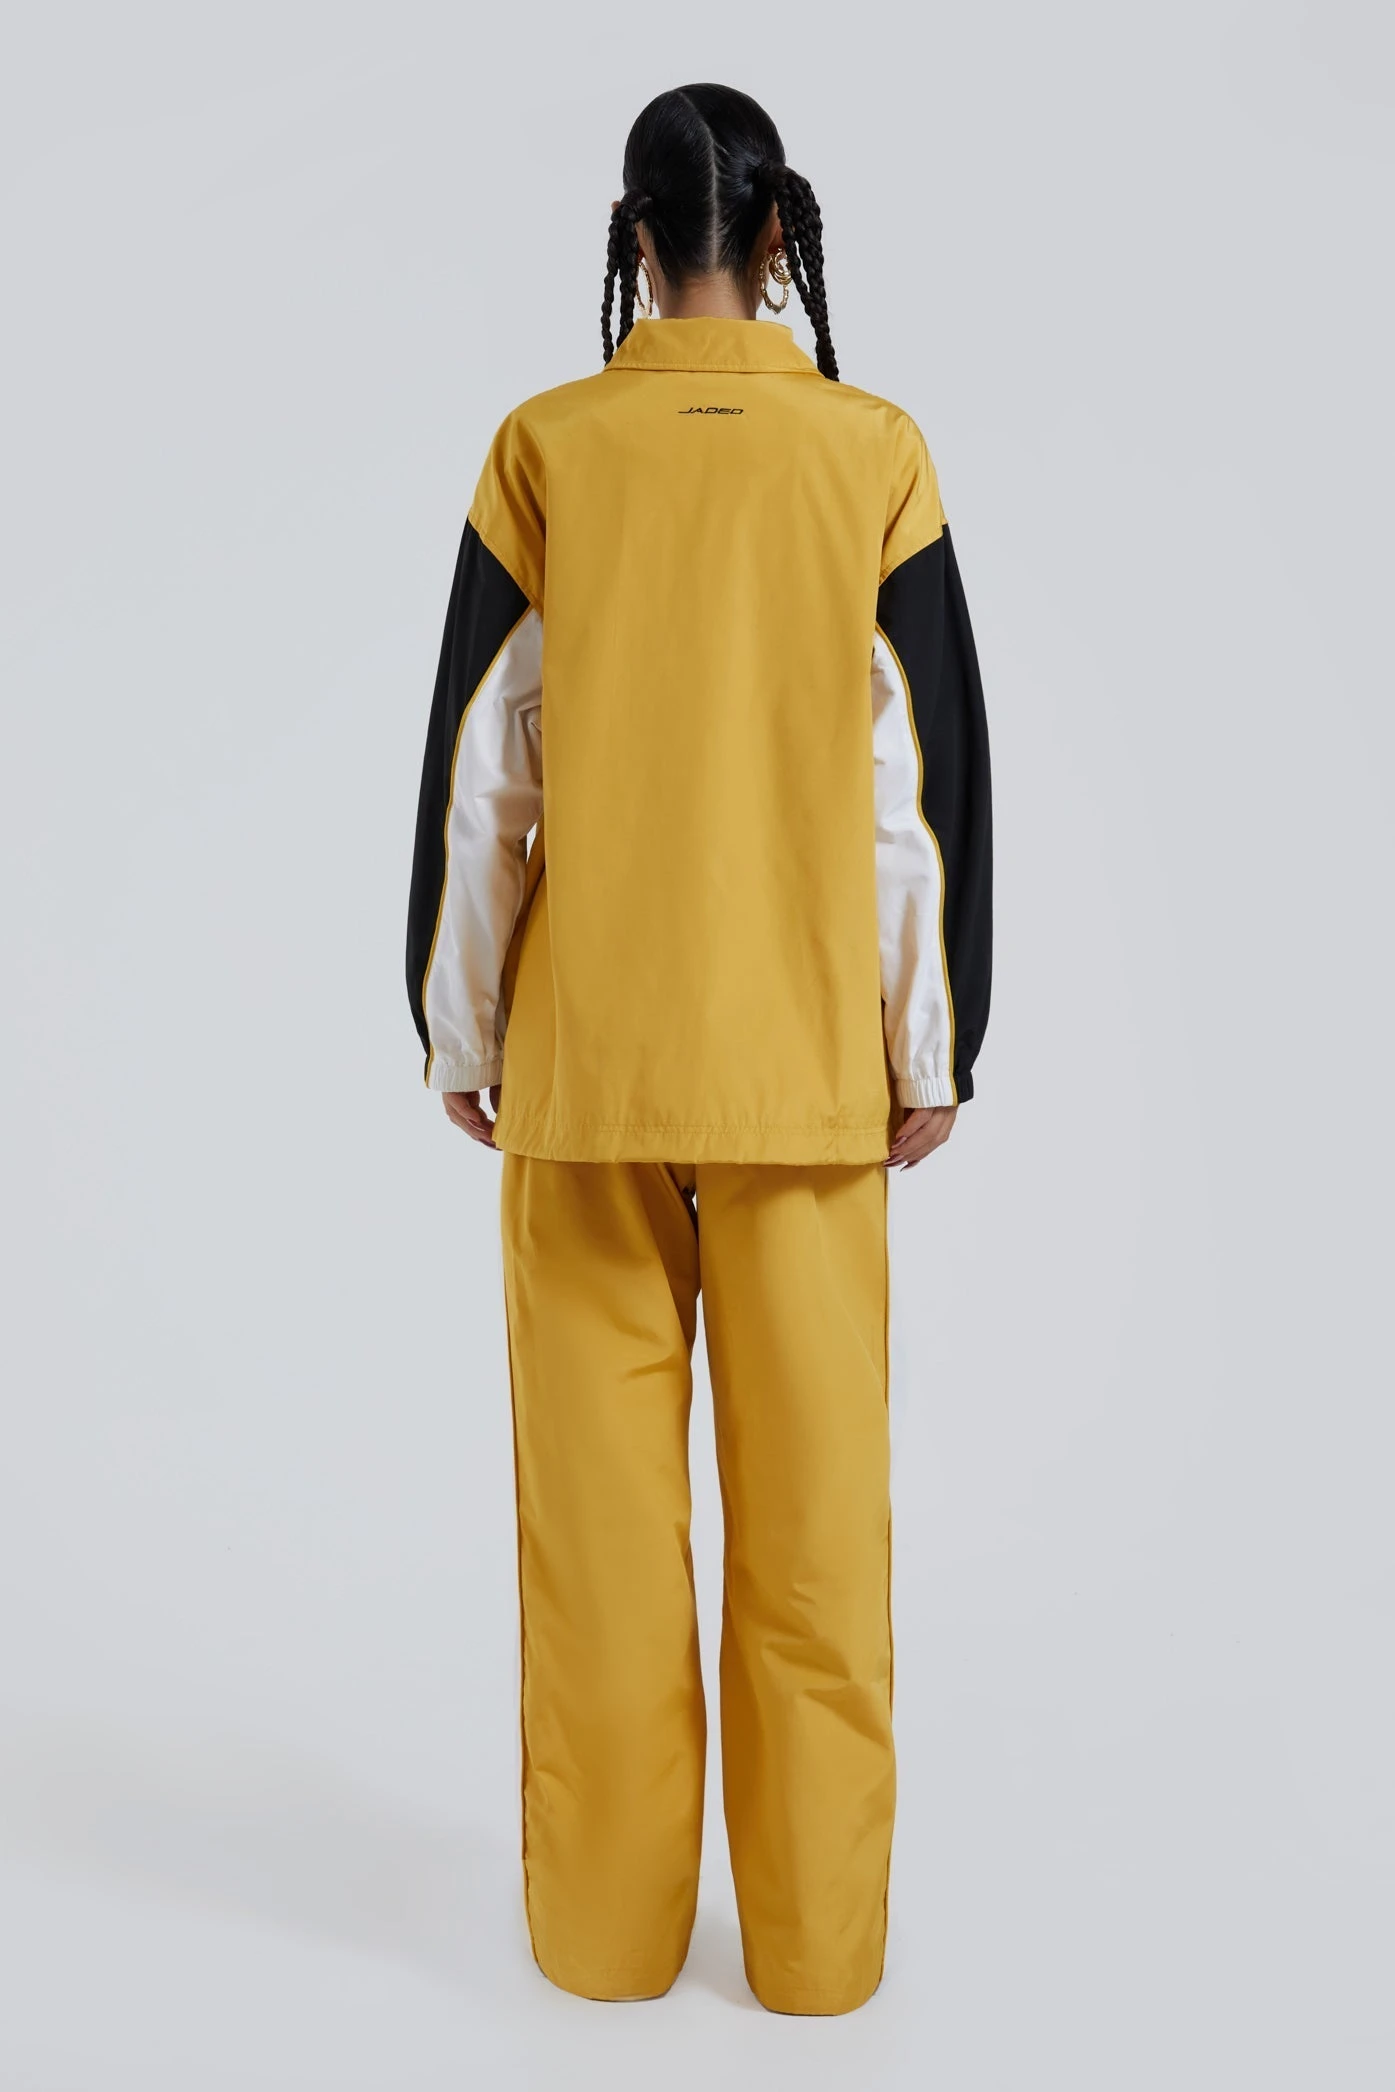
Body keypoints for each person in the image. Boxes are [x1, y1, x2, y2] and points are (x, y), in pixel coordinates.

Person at [406, 82, 992, 2017]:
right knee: (816, 1547)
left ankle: (602, 1946)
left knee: (596, 1550)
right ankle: (816, 1963)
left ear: (633, 239)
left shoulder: (547, 449)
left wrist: (462, 1025)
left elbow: (487, 767)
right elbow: (912, 785)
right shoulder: (870, 455)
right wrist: (928, 1046)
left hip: (585, 1080)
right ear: (781, 236)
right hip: (805, 1084)